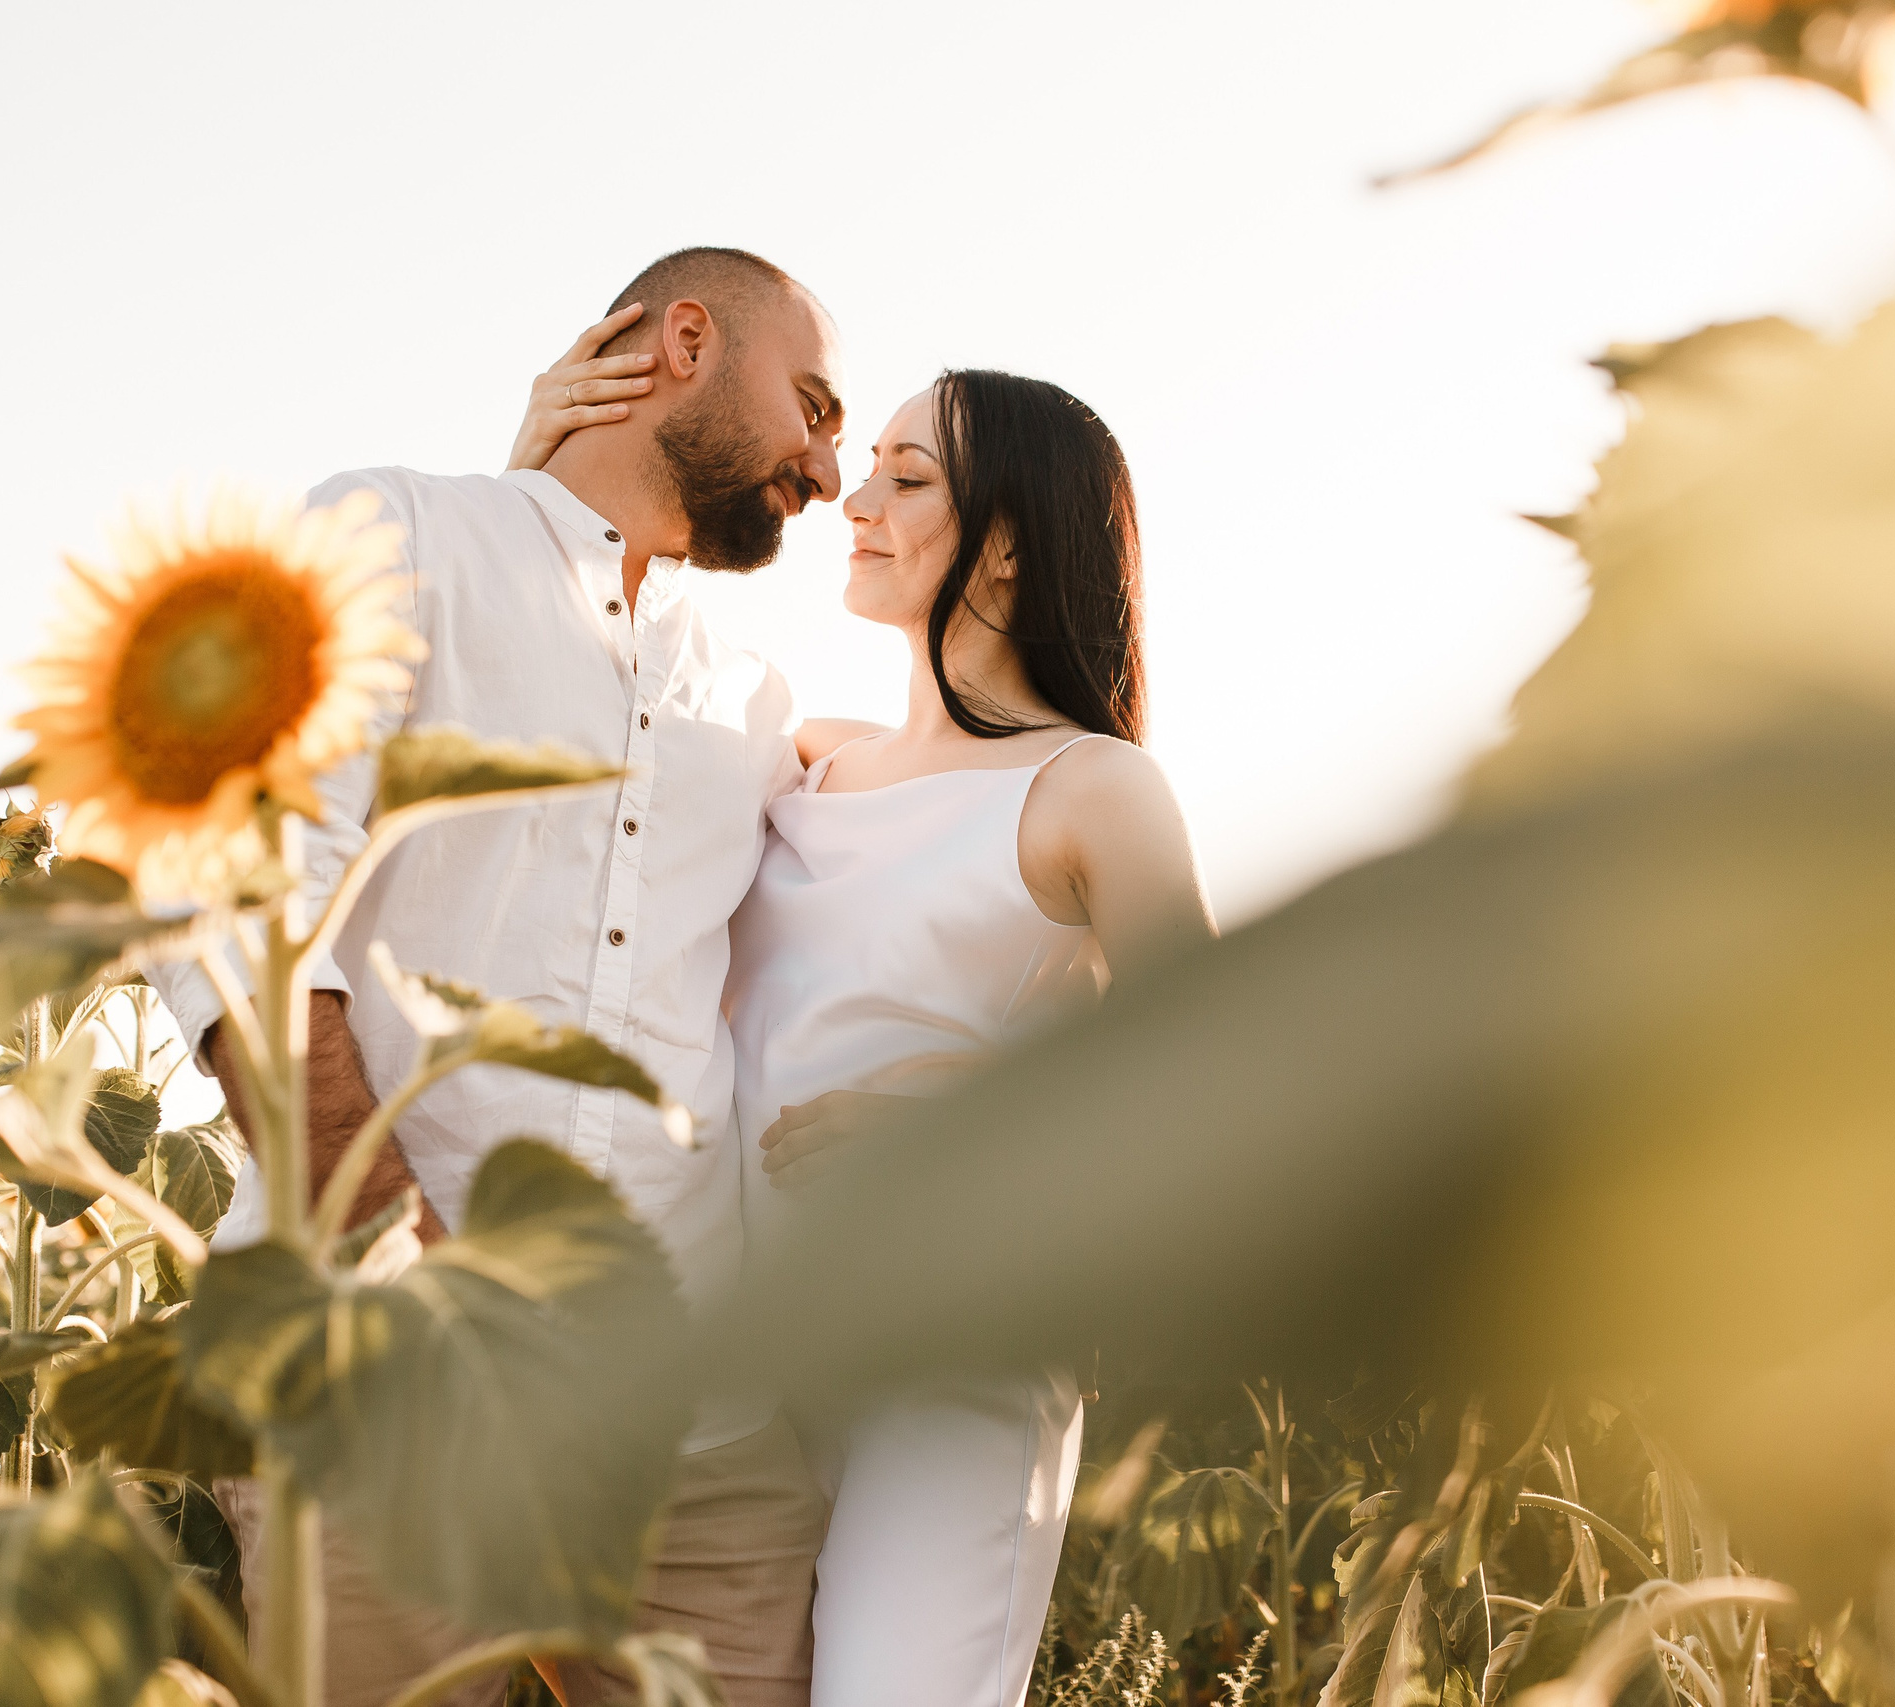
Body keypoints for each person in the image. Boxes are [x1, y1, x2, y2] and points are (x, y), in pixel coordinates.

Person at [151, 246, 846, 1707]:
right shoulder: (398, 535)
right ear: (685, 340)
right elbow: (230, 875)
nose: (828, 470)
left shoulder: (760, 698)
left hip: (697, 1450)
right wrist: (386, 1248)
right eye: (814, 405)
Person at [724, 371, 1215, 1706]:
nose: (856, 502)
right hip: (731, 1360)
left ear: (1004, 541)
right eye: (866, 467)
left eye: (907, 476)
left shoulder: (1090, 790)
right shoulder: (801, 761)